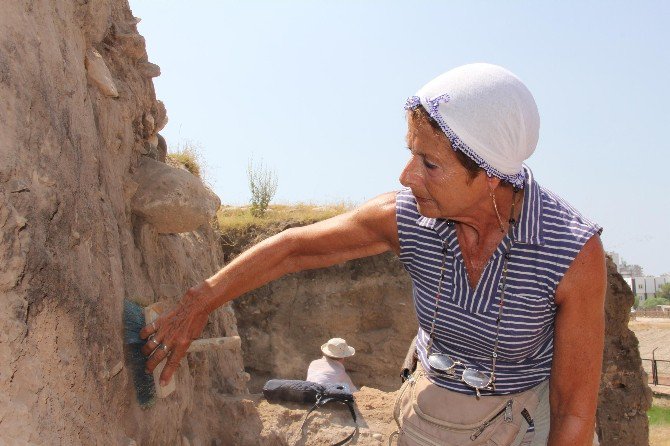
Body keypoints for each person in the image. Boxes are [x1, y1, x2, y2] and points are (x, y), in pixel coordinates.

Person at [139, 63, 606, 445]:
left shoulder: (570, 252)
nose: (407, 177)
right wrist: (198, 303)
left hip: (529, 419)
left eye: (429, 163)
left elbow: (573, 413)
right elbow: (293, 249)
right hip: (437, 406)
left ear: (488, 176)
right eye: (411, 153)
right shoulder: (407, 218)